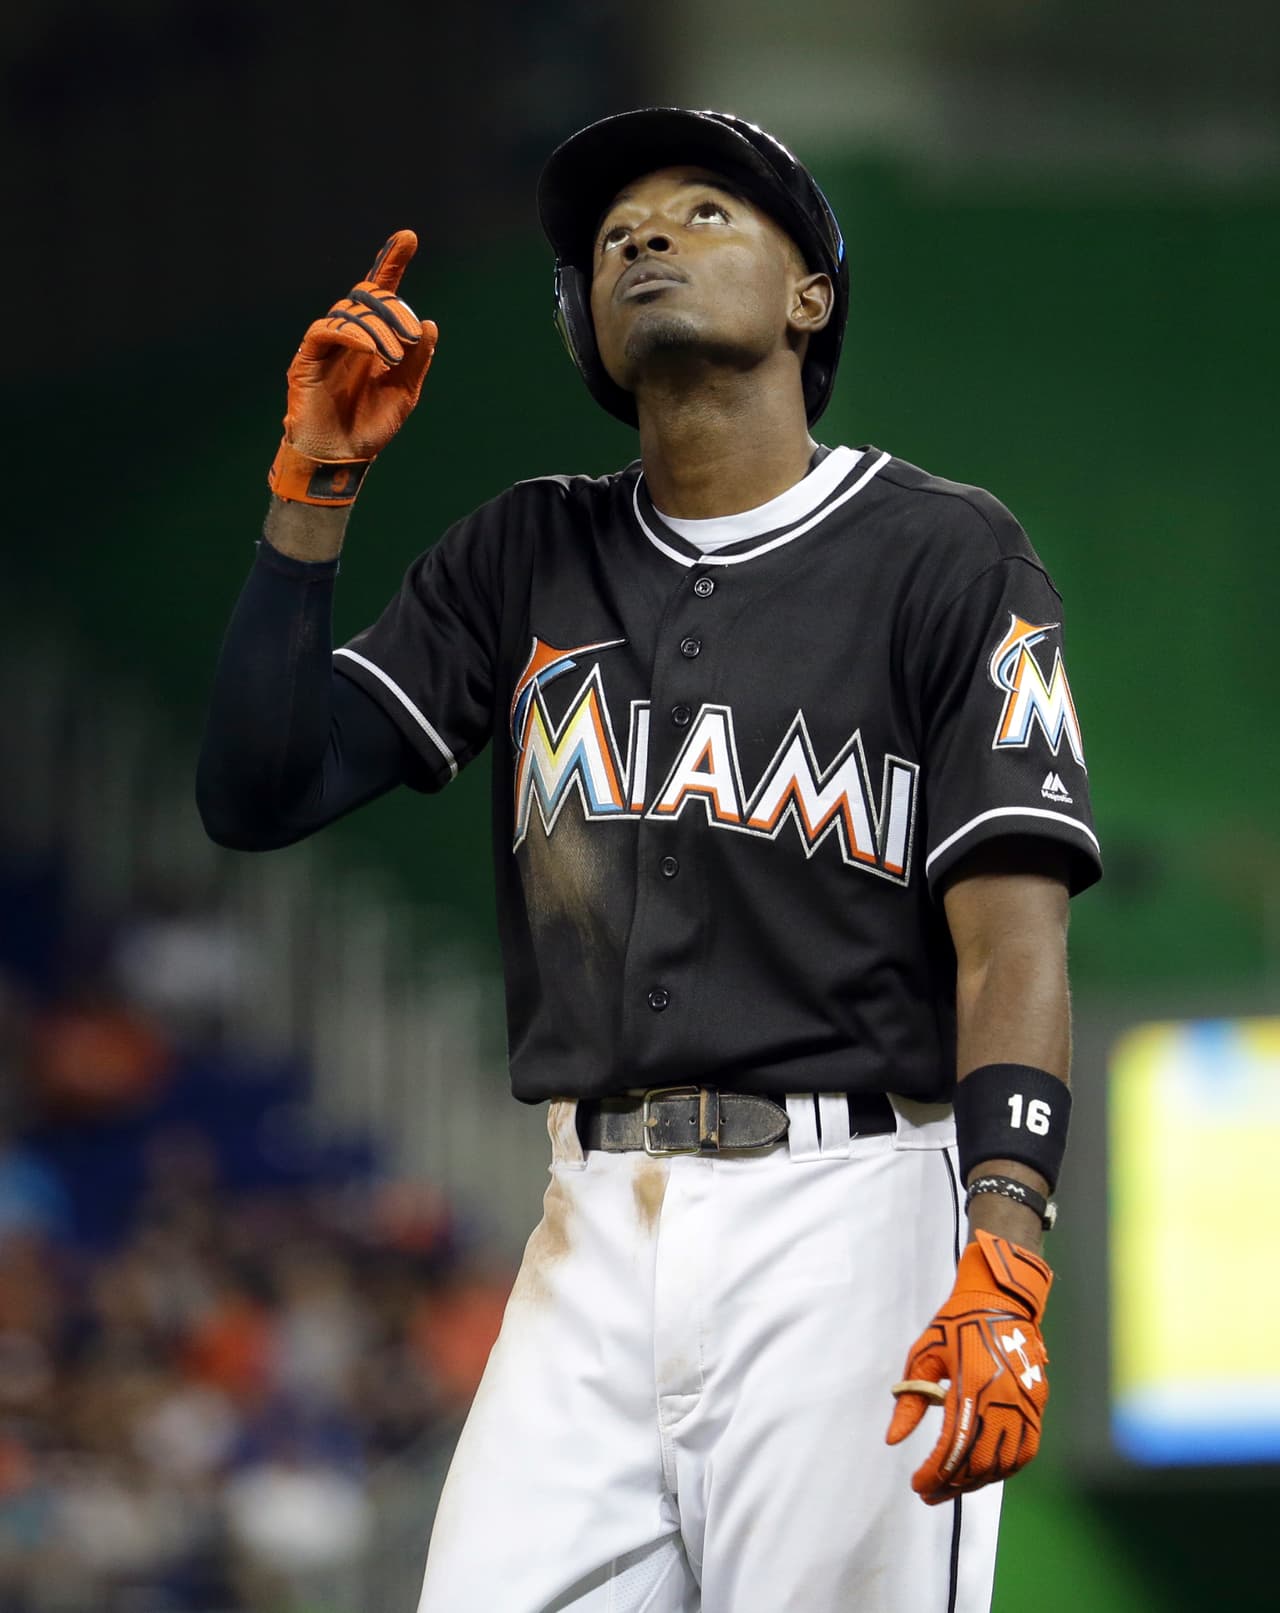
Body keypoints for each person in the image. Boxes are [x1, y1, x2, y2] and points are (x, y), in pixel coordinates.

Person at [196, 108, 1101, 1613]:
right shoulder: (523, 554)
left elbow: (1013, 941)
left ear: (810, 295)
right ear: (586, 326)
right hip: (591, 1226)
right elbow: (258, 788)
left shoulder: (946, 554)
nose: (643, 237)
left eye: (703, 211)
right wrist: (311, 488)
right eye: (615, 233)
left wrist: (1005, 1249)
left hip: (850, 1212)